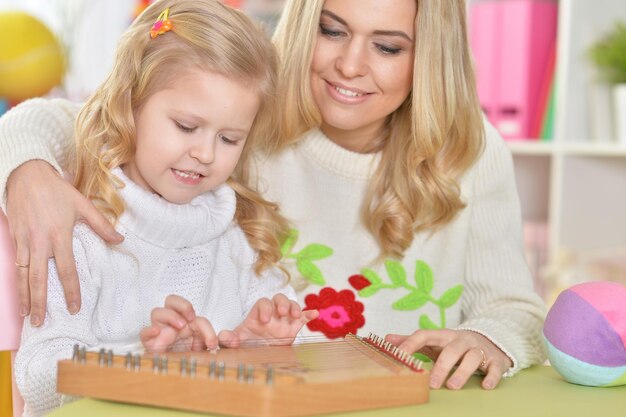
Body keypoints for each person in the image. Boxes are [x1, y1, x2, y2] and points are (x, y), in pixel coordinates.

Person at [0, 0, 546, 392]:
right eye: (332, 30)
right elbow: (77, 121)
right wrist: (27, 170)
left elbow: (512, 306)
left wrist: (489, 338)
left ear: (428, 57)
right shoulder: (246, 120)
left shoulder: (469, 151)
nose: (350, 65)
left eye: (386, 46)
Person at [10, 1, 318, 416]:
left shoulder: (235, 235)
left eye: (229, 139)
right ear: (130, 103)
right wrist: (145, 360)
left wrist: (257, 342)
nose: (206, 153)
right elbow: (38, 374)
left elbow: (297, 355)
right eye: (187, 127)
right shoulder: (80, 229)